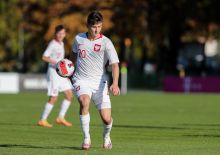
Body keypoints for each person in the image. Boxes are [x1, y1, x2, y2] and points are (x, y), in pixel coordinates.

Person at [70, 11, 120, 150]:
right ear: (88, 25)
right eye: (94, 27)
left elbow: (115, 64)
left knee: (106, 118)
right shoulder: (78, 39)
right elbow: (73, 55)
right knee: (84, 102)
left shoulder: (106, 42)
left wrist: (115, 83)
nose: (97, 29)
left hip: (100, 83)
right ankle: (86, 138)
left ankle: (106, 137)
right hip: (81, 80)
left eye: (99, 26)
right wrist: (69, 70)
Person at [37, 25, 73, 127]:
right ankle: (42, 120)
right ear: (55, 34)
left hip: (60, 74)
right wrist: (56, 62)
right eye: (59, 33)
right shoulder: (52, 44)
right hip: (53, 74)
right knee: (54, 98)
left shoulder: (61, 43)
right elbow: (44, 57)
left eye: (62, 33)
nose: (61, 35)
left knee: (69, 95)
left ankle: (60, 117)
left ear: (65, 34)